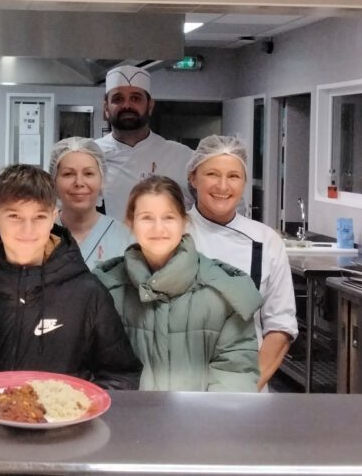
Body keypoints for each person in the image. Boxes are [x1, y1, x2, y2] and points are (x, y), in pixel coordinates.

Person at [0, 164, 142, 390]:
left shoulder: (87, 293)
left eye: (39, 217)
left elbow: (122, 374)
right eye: (14, 216)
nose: (27, 229)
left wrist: (77, 408)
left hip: (63, 423)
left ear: (53, 218)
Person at [95, 176, 262, 391]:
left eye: (168, 217)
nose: (158, 228)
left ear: (184, 222)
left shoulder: (223, 291)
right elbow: (95, 367)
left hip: (201, 422)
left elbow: (235, 372)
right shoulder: (106, 288)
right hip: (126, 420)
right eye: (147, 218)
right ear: (130, 222)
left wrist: (206, 422)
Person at [185, 135, 298, 390]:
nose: (223, 186)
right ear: (193, 178)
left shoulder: (266, 241)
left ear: (245, 182)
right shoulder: (170, 233)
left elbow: (280, 324)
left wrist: (245, 387)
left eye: (234, 176)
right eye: (212, 174)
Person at [96, 65, 194, 222]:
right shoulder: (91, 155)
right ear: (106, 108)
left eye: (136, 98)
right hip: (107, 245)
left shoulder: (182, 156)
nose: (127, 105)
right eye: (118, 99)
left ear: (150, 106)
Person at [49, 136, 134, 268]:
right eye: (68, 174)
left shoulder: (124, 239)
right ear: (54, 181)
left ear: (102, 180)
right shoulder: (40, 233)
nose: (79, 183)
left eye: (88, 173)